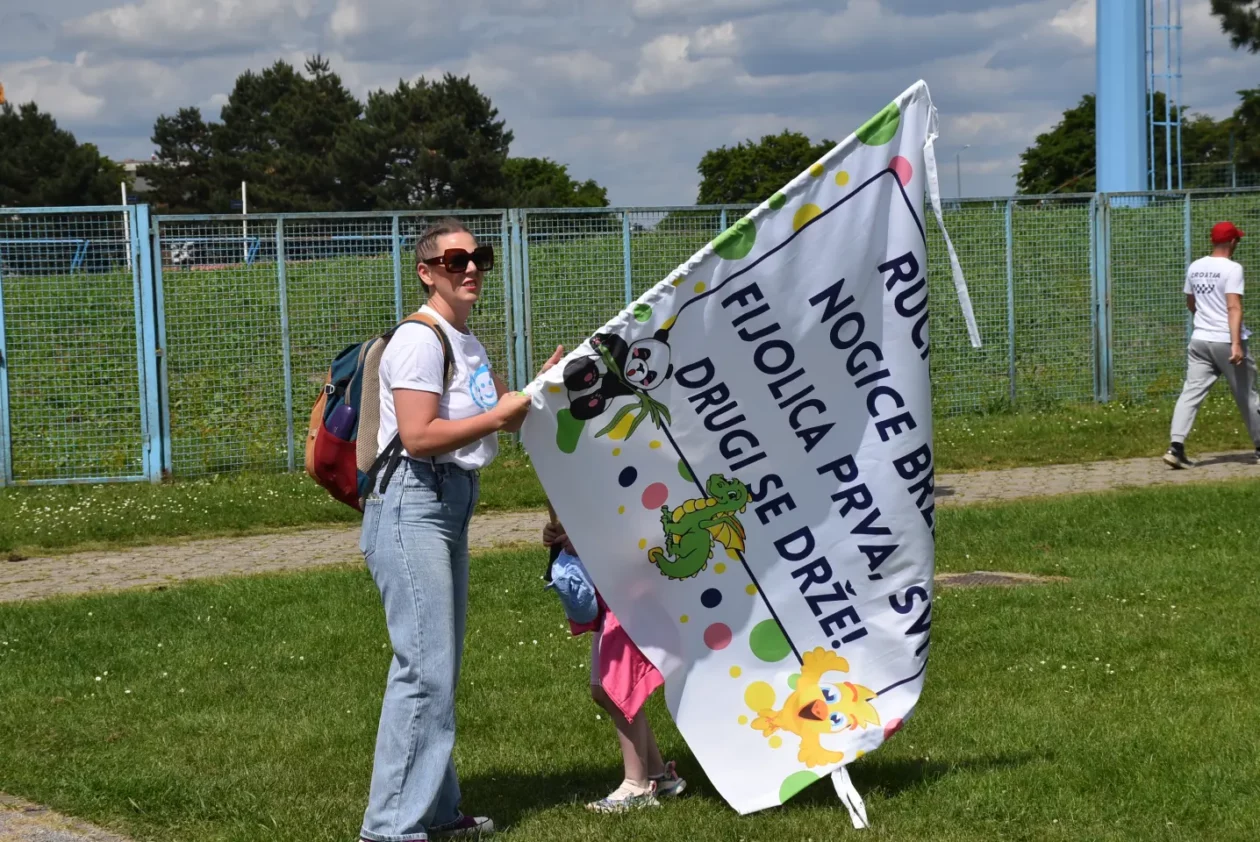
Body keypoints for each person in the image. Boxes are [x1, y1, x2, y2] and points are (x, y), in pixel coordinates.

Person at [358, 218, 562, 841]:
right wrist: (500, 413)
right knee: (423, 669)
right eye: (454, 260)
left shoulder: (466, 340)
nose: (469, 268)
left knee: (436, 664)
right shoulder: (420, 341)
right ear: (427, 272)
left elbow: (503, 414)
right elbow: (418, 437)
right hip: (410, 504)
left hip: (447, 505)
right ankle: (389, 829)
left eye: (479, 258)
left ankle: (439, 814)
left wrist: (535, 388)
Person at [541, 512, 687, 813]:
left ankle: (636, 785)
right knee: (602, 689)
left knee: (617, 689)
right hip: (613, 592)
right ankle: (659, 775)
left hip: (632, 592)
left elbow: (632, 524)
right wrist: (562, 531)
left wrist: (587, 541)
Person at [1164, 221, 1260, 469]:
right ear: (1232, 242)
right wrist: (1236, 343)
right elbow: (1233, 306)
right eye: (1237, 240)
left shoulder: (1196, 266)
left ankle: (1175, 448)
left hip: (1199, 340)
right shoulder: (1232, 268)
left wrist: (1204, 318)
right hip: (1225, 341)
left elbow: (1190, 302)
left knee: (1190, 393)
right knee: (1247, 395)